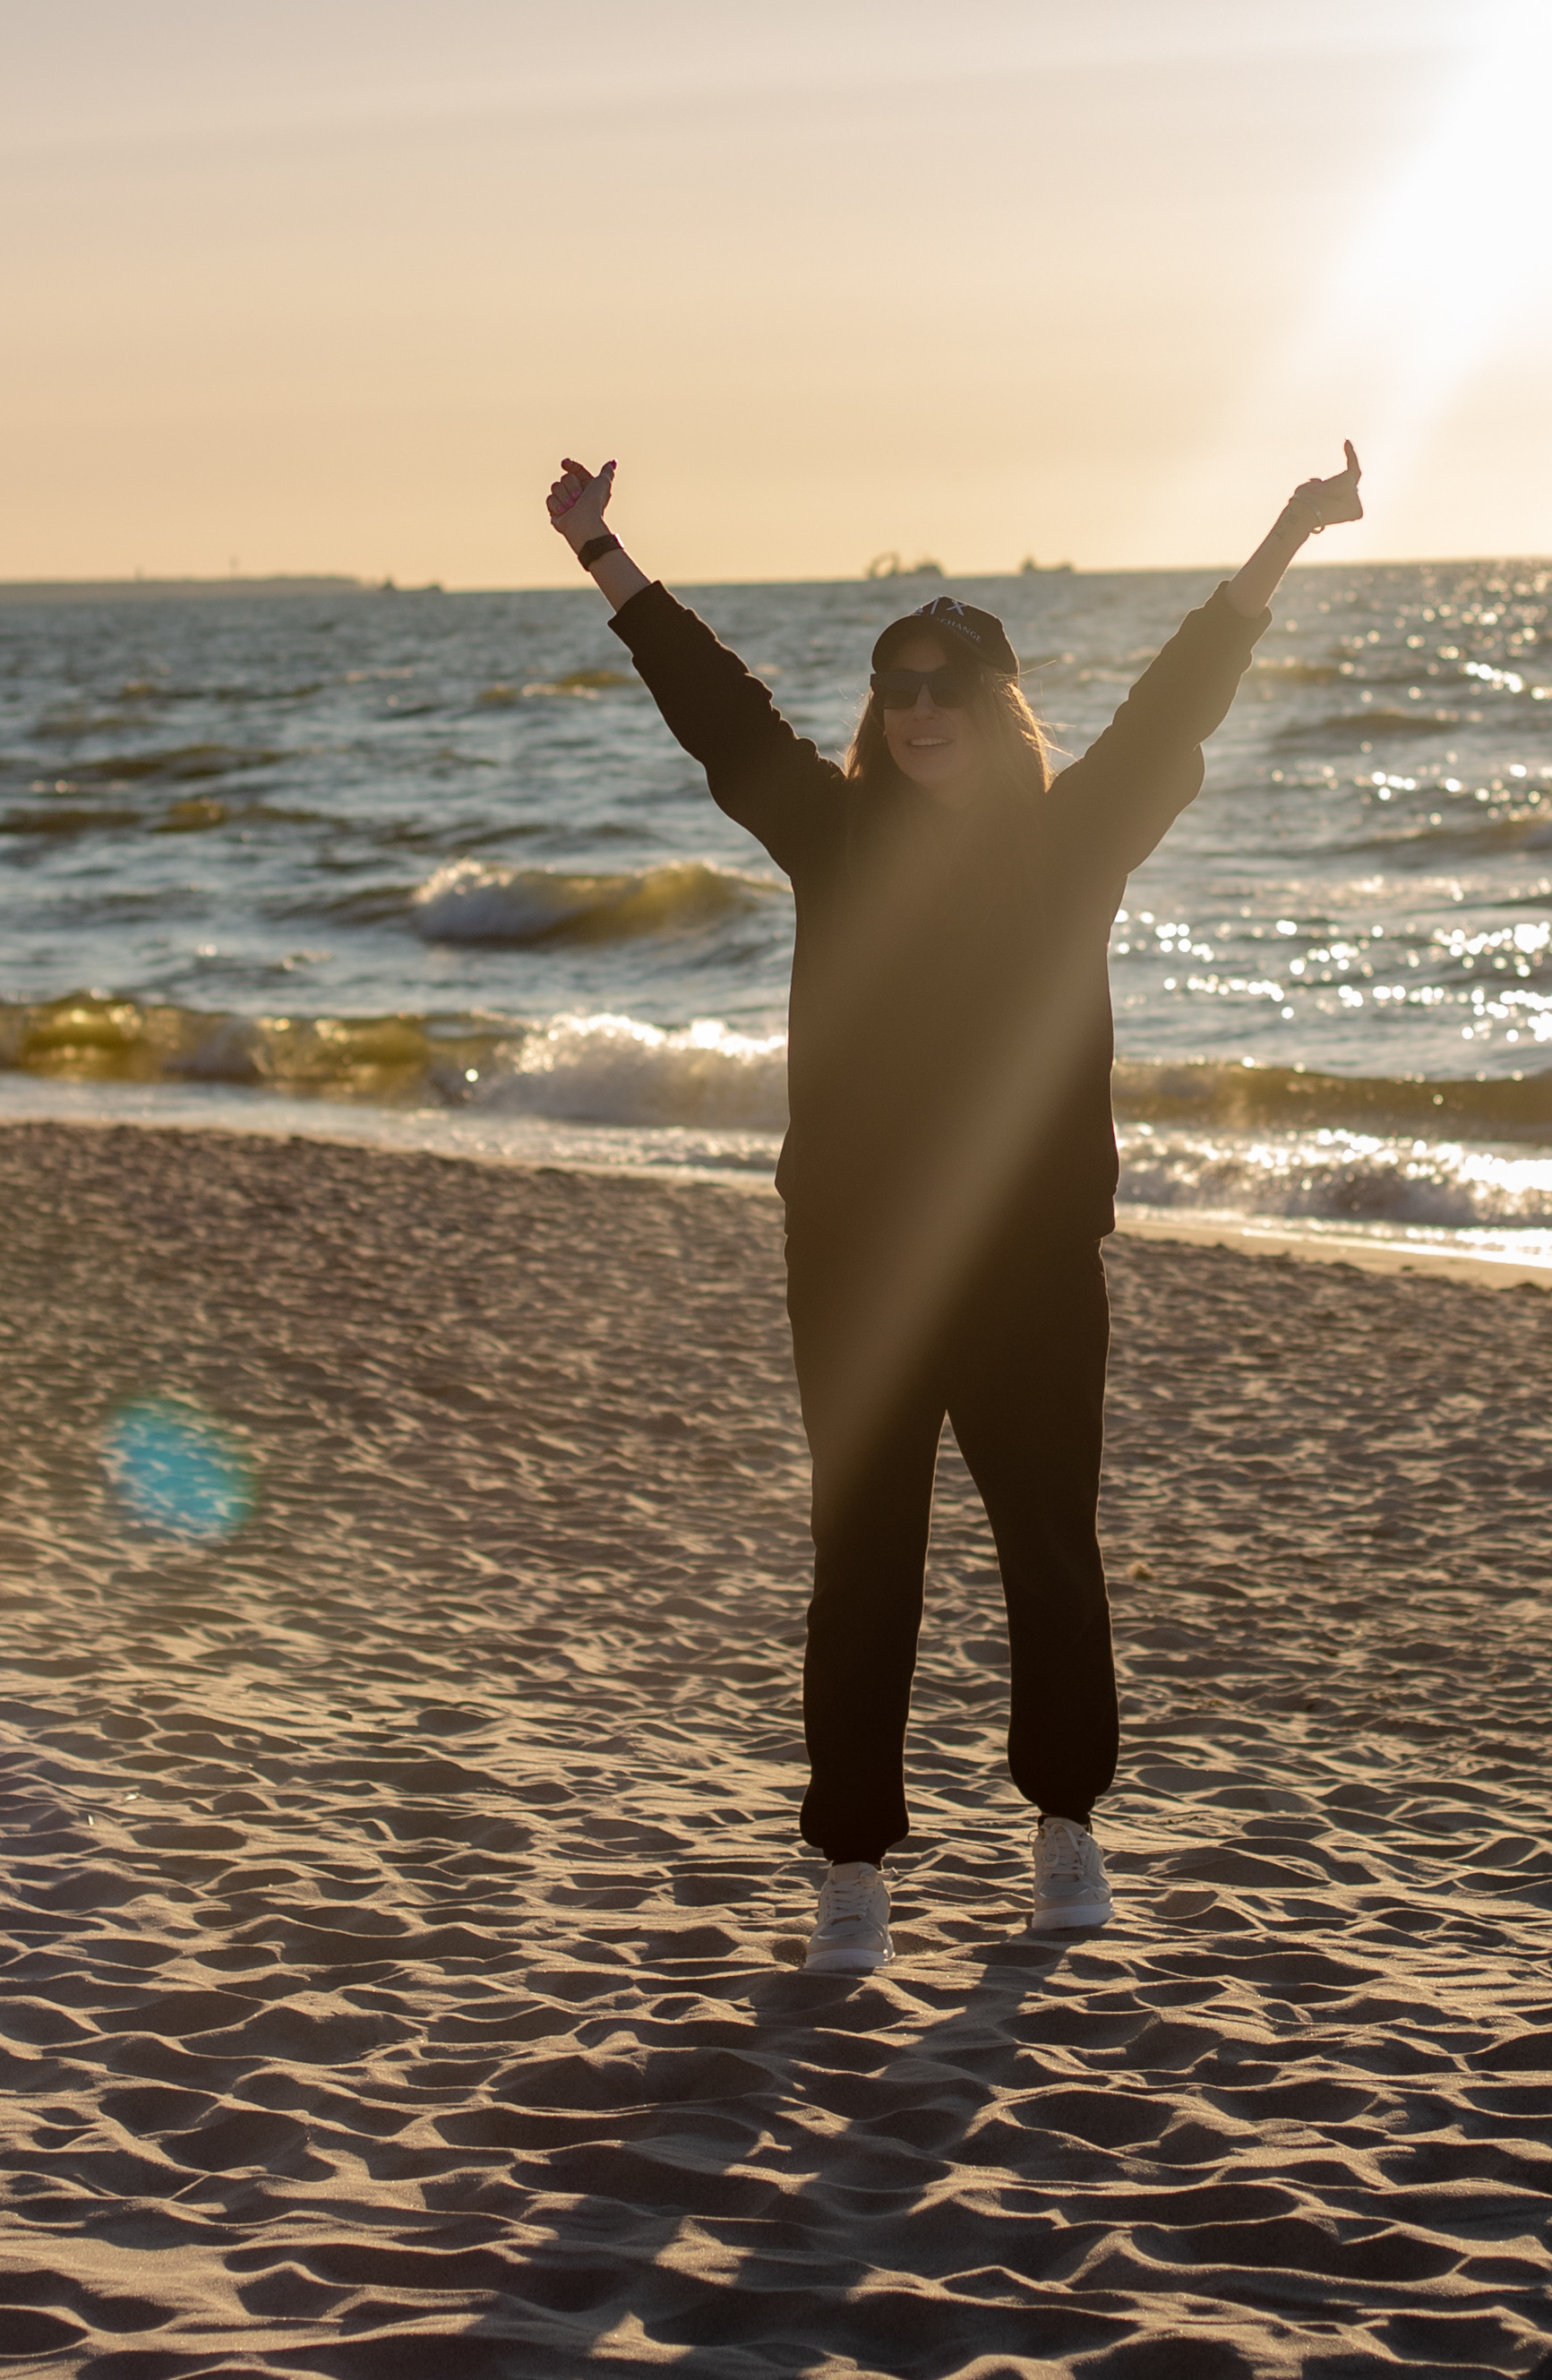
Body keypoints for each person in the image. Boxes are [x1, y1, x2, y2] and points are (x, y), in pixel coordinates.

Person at [543, 442, 1364, 1970]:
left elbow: (1184, 694)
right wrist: (607, 554)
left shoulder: (1073, 840)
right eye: (896, 687)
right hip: (854, 1259)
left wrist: (1288, 535)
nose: (917, 711)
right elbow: (721, 717)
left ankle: (1067, 1827)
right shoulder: (831, 833)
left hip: (1032, 1261)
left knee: (1050, 1548)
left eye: (946, 689)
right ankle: (852, 1862)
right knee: (866, 1558)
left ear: (995, 709)